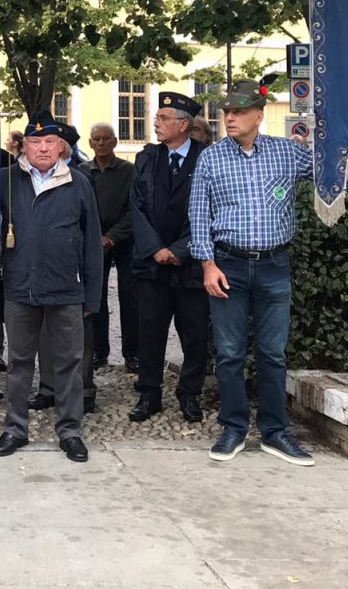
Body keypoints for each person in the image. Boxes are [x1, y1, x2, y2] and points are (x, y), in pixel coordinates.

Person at [189, 80, 314, 467]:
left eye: (239, 112)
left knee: (273, 354)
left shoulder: (287, 153)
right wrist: (208, 264)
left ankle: (275, 432)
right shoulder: (211, 159)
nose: (230, 118)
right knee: (229, 354)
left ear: (259, 116)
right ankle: (234, 428)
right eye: (227, 112)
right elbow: (198, 215)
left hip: (275, 265)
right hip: (228, 265)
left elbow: (331, 171)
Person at [0, 111, 103, 463]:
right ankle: (15, 428)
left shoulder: (78, 182)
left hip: (65, 288)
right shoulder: (7, 180)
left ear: (60, 146)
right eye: (35, 141)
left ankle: (70, 431)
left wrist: (92, 296)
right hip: (20, 287)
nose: (42, 148)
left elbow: (92, 242)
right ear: (24, 145)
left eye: (50, 141)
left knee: (69, 362)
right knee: (19, 362)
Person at [129, 92, 210, 424]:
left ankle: (189, 393)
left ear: (183, 125)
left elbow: (211, 210)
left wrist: (179, 250)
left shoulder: (208, 158)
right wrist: (156, 248)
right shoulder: (147, 158)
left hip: (192, 265)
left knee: (195, 333)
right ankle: (149, 394)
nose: (156, 123)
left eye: (163, 118)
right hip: (152, 264)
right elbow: (136, 207)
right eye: (157, 117)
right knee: (149, 331)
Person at [84, 123, 136, 371]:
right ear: (90, 143)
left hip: (125, 241)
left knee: (130, 297)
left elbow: (136, 209)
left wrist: (113, 236)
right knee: (96, 296)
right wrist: (96, 237)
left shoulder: (129, 171)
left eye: (106, 138)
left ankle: (132, 353)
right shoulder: (82, 172)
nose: (101, 143)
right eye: (97, 139)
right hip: (93, 242)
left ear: (115, 142)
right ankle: (98, 351)